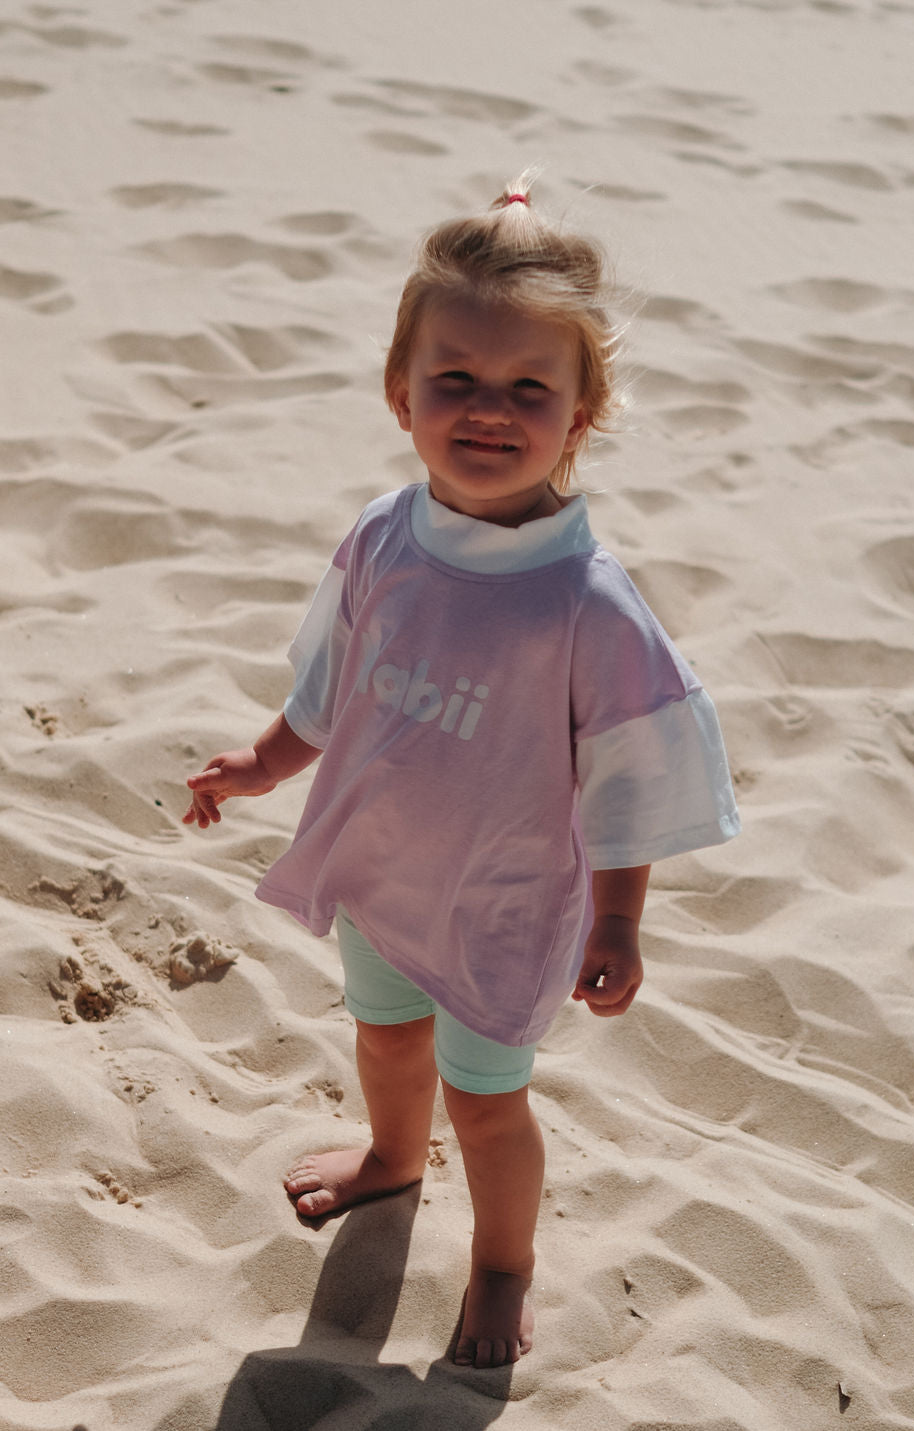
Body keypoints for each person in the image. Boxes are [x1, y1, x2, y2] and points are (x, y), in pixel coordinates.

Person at [183, 177, 740, 1369]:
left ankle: (502, 1263)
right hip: (383, 863)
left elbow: (631, 771)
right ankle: (390, 1158)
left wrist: (623, 915)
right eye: (456, 381)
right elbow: (339, 676)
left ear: (582, 411)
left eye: (528, 389)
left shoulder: (584, 601)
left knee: (487, 1103)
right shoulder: (386, 534)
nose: (489, 411)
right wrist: (269, 758)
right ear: (401, 393)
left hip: (502, 896)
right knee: (385, 1039)